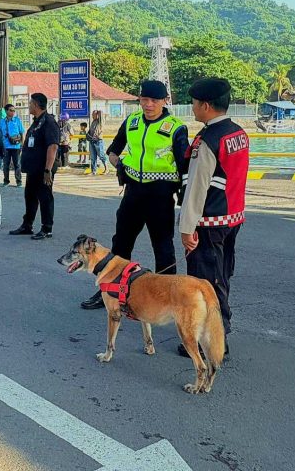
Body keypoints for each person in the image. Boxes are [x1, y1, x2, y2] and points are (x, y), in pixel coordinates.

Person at [81, 80, 189, 310]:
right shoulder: (131, 122)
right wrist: (119, 165)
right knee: (120, 244)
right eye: (144, 100)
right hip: (133, 193)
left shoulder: (176, 127)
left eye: (154, 100)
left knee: (163, 248)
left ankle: (166, 296)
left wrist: (185, 199)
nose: (148, 105)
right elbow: (113, 150)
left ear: (164, 101)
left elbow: (184, 166)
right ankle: (109, 291)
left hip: (160, 195)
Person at [178, 78, 248, 355]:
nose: (193, 109)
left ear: (206, 106)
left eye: (195, 104)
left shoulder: (207, 140)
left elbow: (196, 187)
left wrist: (186, 227)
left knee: (204, 283)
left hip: (208, 222)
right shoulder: (237, 133)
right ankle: (219, 331)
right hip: (232, 218)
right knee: (221, 276)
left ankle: (215, 340)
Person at [9, 92, 59, 240]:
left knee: (45, 197)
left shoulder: (49, 122)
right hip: (33, 169)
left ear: (36, 105)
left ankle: (46, 228)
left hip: (43, 169)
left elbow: (53, 147)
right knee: (30, 196)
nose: (29, 106)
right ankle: (27, 225)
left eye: (30, 103)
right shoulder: (37, 121)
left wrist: (47, 169)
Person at [0, 103, 24, 187]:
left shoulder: (17, 120)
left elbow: (21, 133)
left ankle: (19, 181)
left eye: (14, 110)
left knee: (17, 164)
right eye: (11, 110)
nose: (13, 112)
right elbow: (0, 134)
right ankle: (6, 181)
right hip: (6, 146)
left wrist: (22, 144)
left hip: (16, 146)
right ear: (6, 111)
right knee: (5, 164)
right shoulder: (2, 121)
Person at [84, 110, 108, 175]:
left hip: (98, 141)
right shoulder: (93, 122)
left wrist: (98, 112)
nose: (92, 116)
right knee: (93, 157)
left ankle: (106, 169)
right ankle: (93, 171)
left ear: (97, 115)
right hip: (92, 141)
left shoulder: (100, 121)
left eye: (93, 114)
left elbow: (101, 114)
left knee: (101, 155)